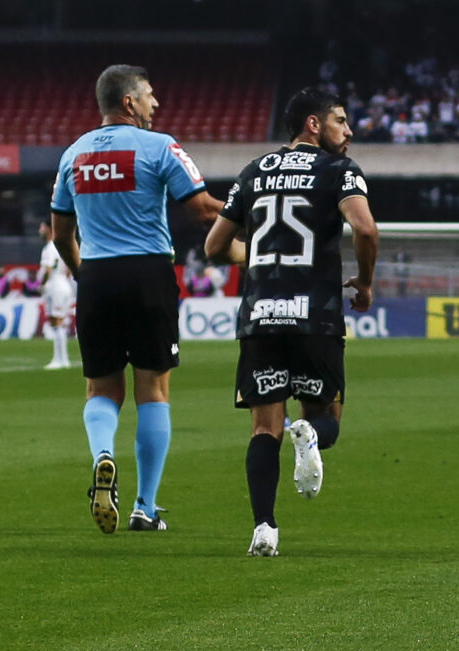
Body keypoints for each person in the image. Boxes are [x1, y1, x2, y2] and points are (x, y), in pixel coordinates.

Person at [204, 89, 379, 558]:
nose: (350, 130)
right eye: (341, 121)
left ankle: (264, 528)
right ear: (313, 125)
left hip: (260, 315)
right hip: (315, 316)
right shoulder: (340, 170)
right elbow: (364, 228)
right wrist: (363, 283)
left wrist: (258, 257)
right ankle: (312, 438)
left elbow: (214, 246)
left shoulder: (252, 171)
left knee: (264, 429)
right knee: (326, 419)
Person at [50, 64, 223, 535]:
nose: (156, 104)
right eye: (149, 95)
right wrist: (256, 213)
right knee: (154, 390)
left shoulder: (73, 154)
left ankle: (103, 454)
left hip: (98, 277)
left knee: (101, 389)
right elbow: (202, 207)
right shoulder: (159, 145)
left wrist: (85, 273)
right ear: (129, 102)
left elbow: (62, 232)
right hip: (148, 272)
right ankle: (145, 507)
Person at [37, 221, 75, 369]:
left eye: (41, 227)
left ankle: (62, 359)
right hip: (62, 284)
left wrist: (42, 284)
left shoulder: (50, 248)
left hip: (56, 286)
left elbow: (47, 269)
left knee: (57, 321)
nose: (39, 230)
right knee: (56, 322)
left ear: (48, 229)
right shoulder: (59, 246)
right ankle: (59, 358)